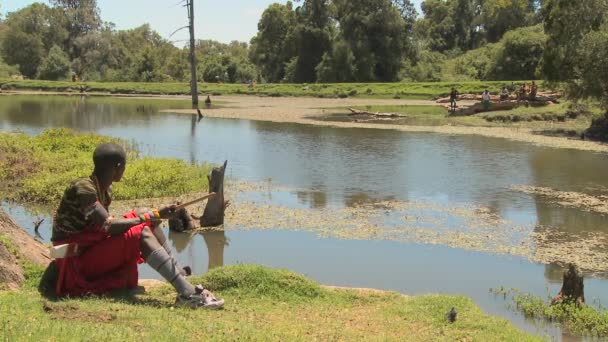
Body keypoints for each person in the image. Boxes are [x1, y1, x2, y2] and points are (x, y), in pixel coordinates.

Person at [50, 142, 224, 309]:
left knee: (145, 214)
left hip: (89, 247)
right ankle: (187, 294)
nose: (124, 170)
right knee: (140, 231)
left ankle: (178, 271)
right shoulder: (84, 188)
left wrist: (151, 215)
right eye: (124, 165)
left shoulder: (105, 188)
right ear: (117, 167)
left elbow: (102, 227)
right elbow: (108, 226)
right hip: (74, 259)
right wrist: (152, 214)